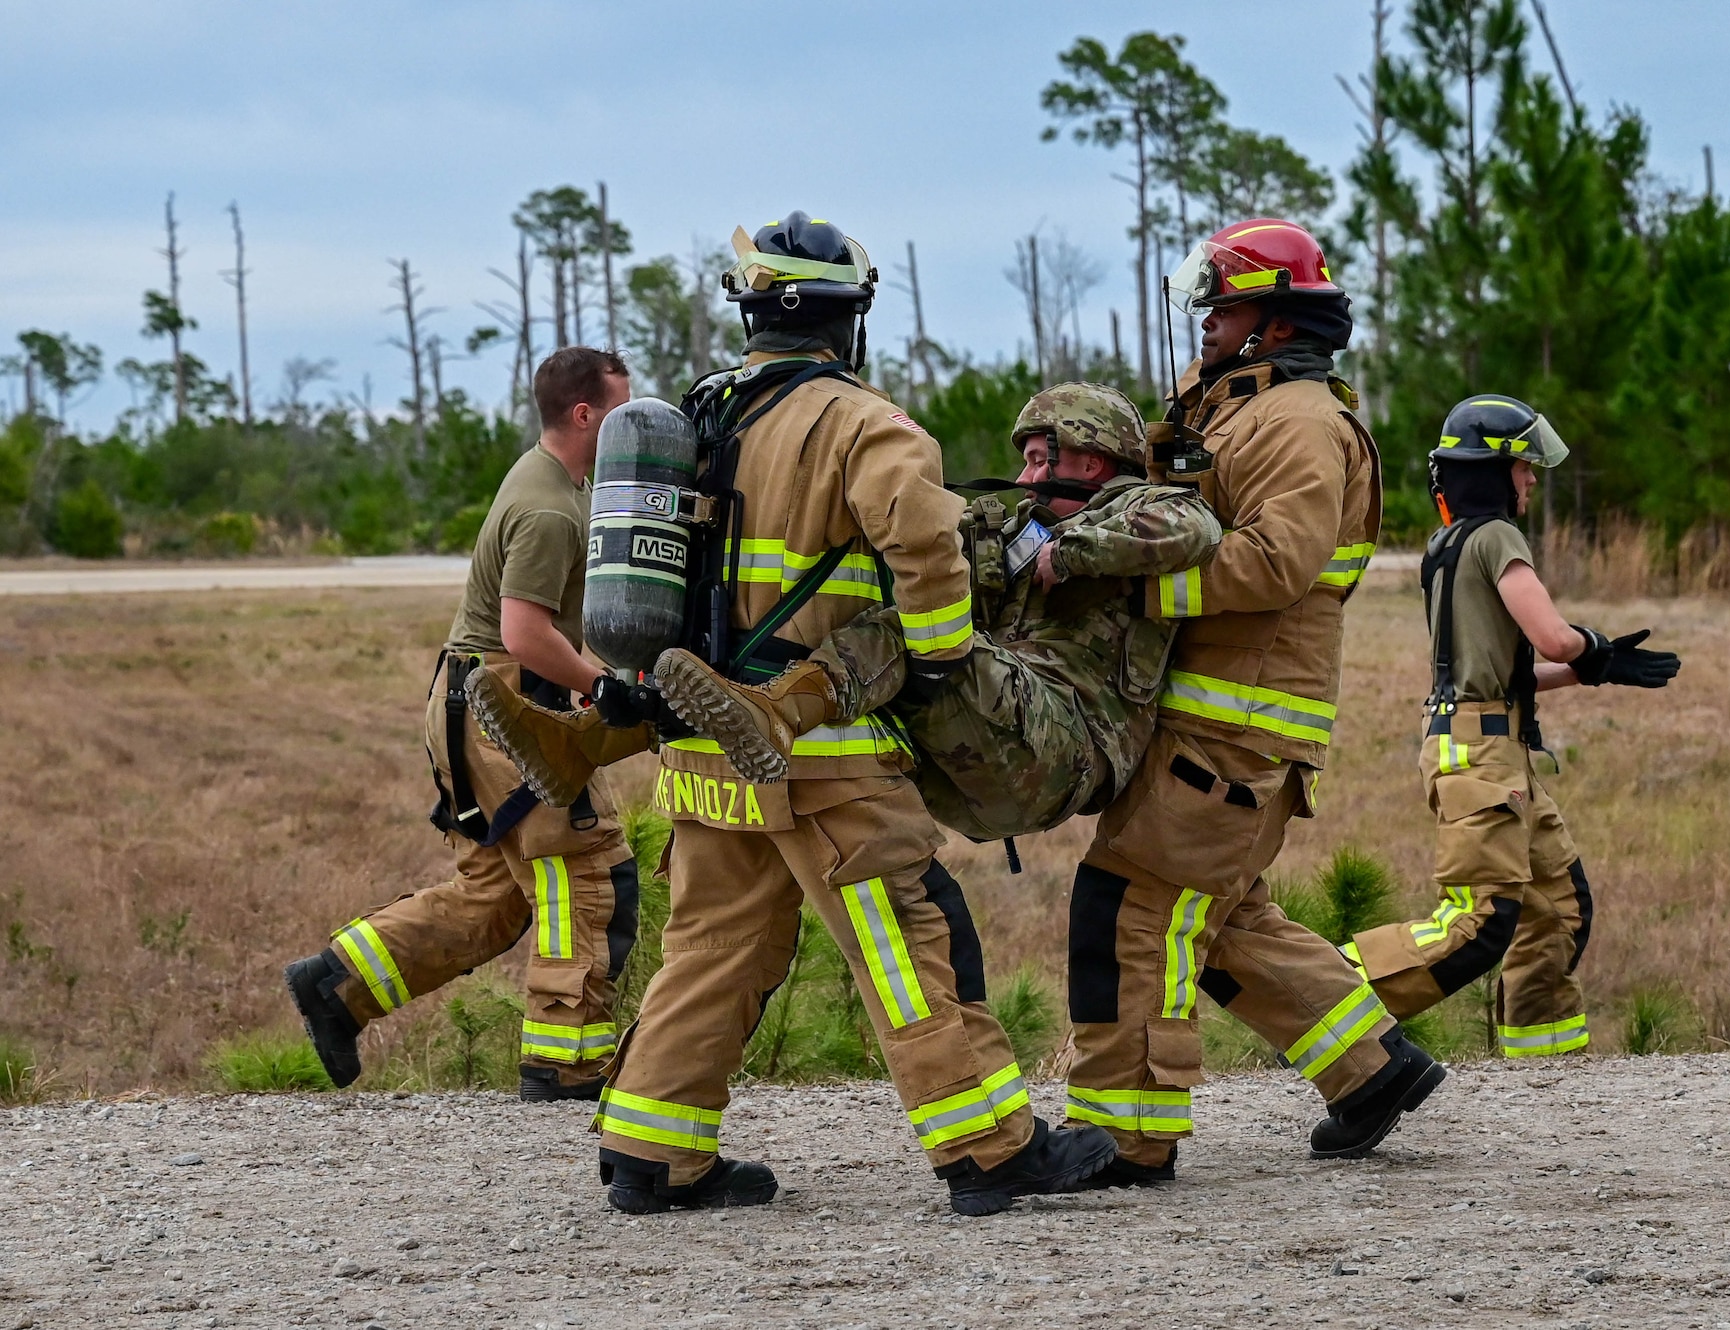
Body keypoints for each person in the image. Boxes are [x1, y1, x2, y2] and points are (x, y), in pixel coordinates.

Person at [582, 212, 1116, 1217]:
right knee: (910, 939)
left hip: (704, 749)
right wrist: (945, 652)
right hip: (827, 753)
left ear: (754, 312)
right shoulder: (866, 423)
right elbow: (926, 552)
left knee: (713, 948)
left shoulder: (698, 413)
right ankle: (988, 1146)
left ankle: (651, 1153)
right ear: (847, 318)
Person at [1062, 218, 1444, 1186]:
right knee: (1218, 911)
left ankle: (1127, 1136)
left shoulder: (1298, 421)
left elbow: (1277, 560)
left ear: (1272, 320)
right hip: (1213, 707)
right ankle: (1368, 1072)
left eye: (1221, 301)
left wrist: (1126, 586)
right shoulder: (1237, 408)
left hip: (1238, 714)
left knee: (1132, 906)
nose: (1204, 318)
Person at [470, 381, 1222, 846]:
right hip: (997, 740)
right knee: (857, 613)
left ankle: (773, 716)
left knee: (921, 627)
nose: (1024, 477)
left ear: (1089, 463)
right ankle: (586, 744)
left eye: (1038, 459)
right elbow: (942, 547)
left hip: (1066, 749)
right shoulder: (1021, 524)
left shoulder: (1146, 508)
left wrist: (1072, 549)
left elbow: (1191, 529)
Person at [283, 347, 643, 1103]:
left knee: (499, 894)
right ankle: (567, 1066)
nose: (633, 424)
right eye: (622, 408)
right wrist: (604, 688)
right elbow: (524, 632)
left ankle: (336, 985)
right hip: (506, 706)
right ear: (584, 414)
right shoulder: (549, 508)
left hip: (469, 704)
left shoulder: (548, 478)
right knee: (588, 871)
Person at [1343, 394, 1679, 1057]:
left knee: (1555, 908)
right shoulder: (1495, 537)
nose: (1530, 479)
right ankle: (1320, 995)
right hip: (1482, 760)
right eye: (1523, 467)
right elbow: (1553, 639)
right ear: (1492, 471)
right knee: (1478, 924)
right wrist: (1592, 647)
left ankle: (1543, 1072)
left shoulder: (1449, 546)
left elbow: (1506, 673)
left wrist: (1598, 669)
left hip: (1488, 749)